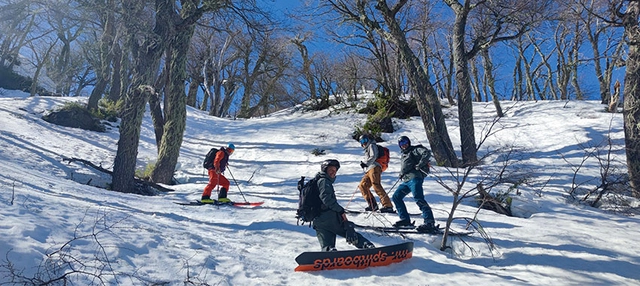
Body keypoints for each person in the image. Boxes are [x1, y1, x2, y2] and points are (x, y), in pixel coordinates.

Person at [313, 159, 375, 251]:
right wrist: (340, 210)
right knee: (349, 232)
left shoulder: (317, 181)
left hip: (318, 220)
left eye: (335, 171)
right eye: (331, 170)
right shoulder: (324, 181)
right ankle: (367, 246)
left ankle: (328, 254)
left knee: (327, 246)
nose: (333, 173)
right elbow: (326, 199)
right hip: (329, 217)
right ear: (325, 170)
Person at [392, 136, 438, 233]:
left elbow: (426, 153)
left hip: (415, 179)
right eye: (401, 143)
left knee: (418, 198)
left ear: (409, 142)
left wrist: (420, 165)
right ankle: (405, 219)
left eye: (405, 142)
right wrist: (402, 174)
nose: (403, 145)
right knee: (396, 197)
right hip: (406, 180)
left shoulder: (415, 150)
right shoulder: (404, 154)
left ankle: (429, 222)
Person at [358, 134, 394, 213]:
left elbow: (374, 156)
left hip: (374, 167)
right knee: (362, 185)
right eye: (361, 141)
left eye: (365, 140)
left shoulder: (372, 145)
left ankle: (388, 205)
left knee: (376, 185)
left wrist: (366, 163)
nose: (363, 143)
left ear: (368, 139)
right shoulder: (368, 148)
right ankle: (372, 205)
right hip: (369, 169)